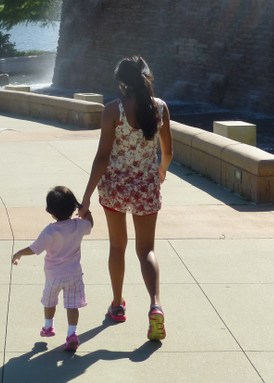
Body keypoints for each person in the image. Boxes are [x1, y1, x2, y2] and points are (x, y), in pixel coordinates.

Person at [79, 56, 173, 341]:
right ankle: (155, 305)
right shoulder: (160, 109)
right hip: (146, 187)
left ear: (121, 81)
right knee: (147, 250)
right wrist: (161, 172)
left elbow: (102, 157)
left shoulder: (113, 110)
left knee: (117, 247)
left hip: (115, 188)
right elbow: (167, 152)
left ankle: (117, 305)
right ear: (146, 76)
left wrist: (85, 199)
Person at [12, 186, 94, 352]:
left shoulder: (50, 231)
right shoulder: (79, 225)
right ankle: (72, 334)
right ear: (73, 208)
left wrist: (19, 252)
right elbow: (90, 225)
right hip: (74, 275)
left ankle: (48, 327)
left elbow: (35, 248)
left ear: (50, 210)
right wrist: (86, 211)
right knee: (72, 306)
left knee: (49, 301)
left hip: (54, 276)